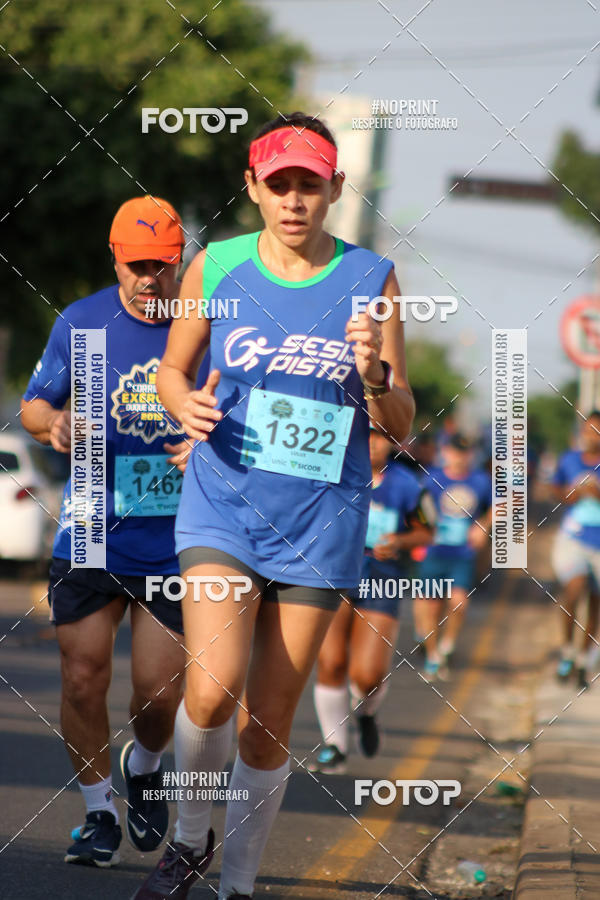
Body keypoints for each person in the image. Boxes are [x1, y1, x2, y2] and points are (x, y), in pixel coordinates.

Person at [132, 112, 415, 900]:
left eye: (309, 184)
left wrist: (376, 379)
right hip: (222, 504)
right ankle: (190, 842)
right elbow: (172, 369)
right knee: (210, 688)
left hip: (321, 522)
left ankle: (239, 886)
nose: (294, 199)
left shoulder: (372, 278)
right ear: (252, 187)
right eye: (278, 183)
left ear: (334, 188)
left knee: (267, 722)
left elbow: (402, 422)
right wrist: (182, 405)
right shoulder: (216, 267)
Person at [20, 196, 207, 867]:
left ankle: (147, 763)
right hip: (92, 527)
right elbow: (36, 401)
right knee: (81, 678)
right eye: (135, 265)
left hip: (172, 534)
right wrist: (53, 425)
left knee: (159, 694)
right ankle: (99, 814)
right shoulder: (83, 322)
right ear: (115, 259)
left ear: (178, 260)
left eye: (160, 265)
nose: (148, 278)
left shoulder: (200, 324)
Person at [310, 428, 434, 774]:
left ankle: (366, 712)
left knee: (367, 675)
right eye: (365, 435)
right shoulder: (331, 472)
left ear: (392, 442)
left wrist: (399, 541)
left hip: (381, 579)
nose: (373, 443)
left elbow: (427, 530)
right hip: (333, 573)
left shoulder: (408, 484)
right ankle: (334, 745)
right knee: (331, 662)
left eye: (380, 436)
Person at [415, 433, 492, 681]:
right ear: (445, 451)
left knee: (459, 603)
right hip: (434, 551)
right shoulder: (432, 478)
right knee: (432, 605)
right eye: (455, 451)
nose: (459, 457)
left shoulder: (481, 480)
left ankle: (447, 645)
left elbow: (498, 505)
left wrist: (483, 525)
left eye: (465, 452)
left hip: (462, 553)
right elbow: (415, 507)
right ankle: (433, 656)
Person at [552, 411, 600, 688]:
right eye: (588, 431)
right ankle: (567, 650)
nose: (591, 437)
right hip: (574, 537)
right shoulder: (569, 460)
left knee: (595, 601)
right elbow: (555, 490)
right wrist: (569, 494)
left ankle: (584, 659)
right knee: (574, 588)